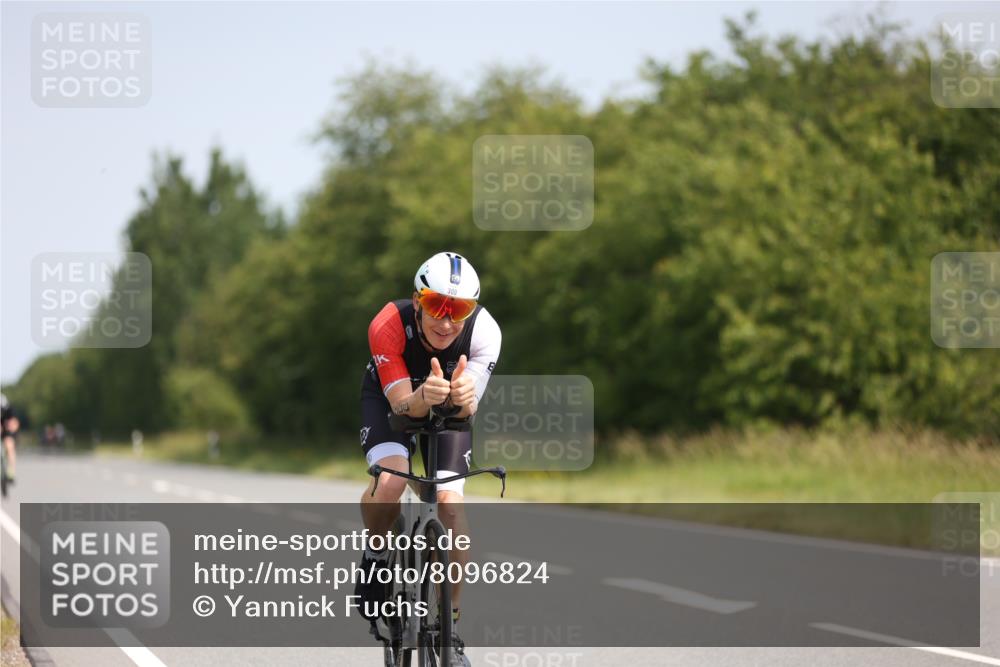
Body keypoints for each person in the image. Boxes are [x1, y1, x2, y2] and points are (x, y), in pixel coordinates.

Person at [357, 252, 501, 667]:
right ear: (417, 300)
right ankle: (376, 556)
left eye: (459, 309)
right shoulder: (387, 324)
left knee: (450, 505)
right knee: (392, 481)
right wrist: (422, 397)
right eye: (436, 304)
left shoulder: (485, 332)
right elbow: (401, 407)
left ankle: (450, 627)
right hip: (392, 399)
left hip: (447, 408)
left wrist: (462, 398)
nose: (446, 321)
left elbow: (466, 409)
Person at [1, 393, 19, 483]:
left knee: (9, 446)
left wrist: (10, 428)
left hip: (7, 430)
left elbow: (14, 423)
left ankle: (11, 471)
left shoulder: (9, 410)